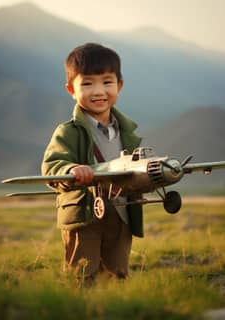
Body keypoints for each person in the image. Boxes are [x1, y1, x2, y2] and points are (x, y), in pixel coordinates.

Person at [41, 43, 143, 281]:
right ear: (71, 90)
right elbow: (51, 166)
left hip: (121, 212)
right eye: (87, 83)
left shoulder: (128, 132)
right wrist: (71, 169)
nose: (99, 91)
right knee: (82, 272)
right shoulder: (68, 132)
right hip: (84, 213)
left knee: (118, 272)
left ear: (119, 86)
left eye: (107, 82)